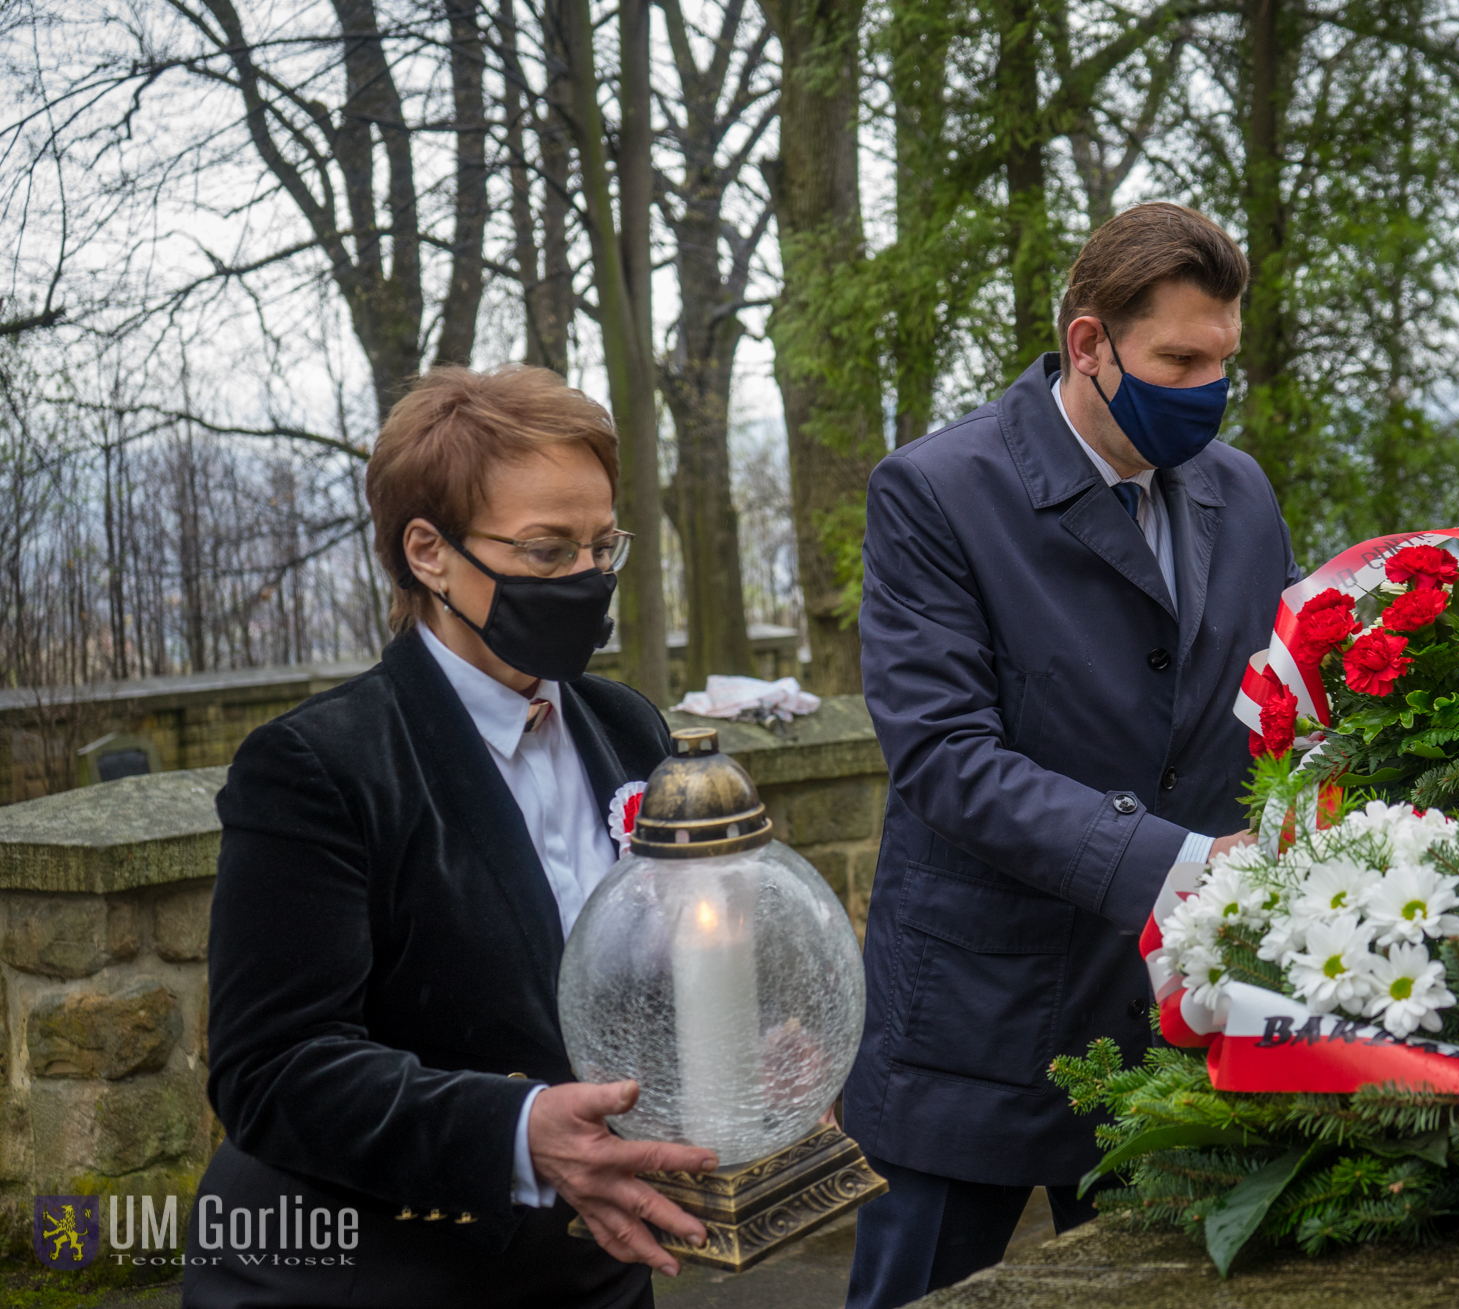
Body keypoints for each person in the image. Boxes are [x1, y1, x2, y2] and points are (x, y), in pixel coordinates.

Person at [843, 202, 1299, 1308]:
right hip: (973, 1027)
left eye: (1220, 361)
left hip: (1171, 1030)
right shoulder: (936, 492)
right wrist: (1188, 866)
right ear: (1090, 345)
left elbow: (1274, 712)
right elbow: (945, 759)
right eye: (1177, 359)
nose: (1204, 388)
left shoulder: (1239, 493)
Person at [187, 367, 716, 1309]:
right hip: (374, 1278)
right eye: (549, 550)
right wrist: (515, 1130)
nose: (587, 581)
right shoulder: (317, 766)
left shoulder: (633, 729)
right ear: (428, 551)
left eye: (603, 547)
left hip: (594, 1271)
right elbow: (273, 1069)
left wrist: (742, 1039)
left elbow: (649, 974)